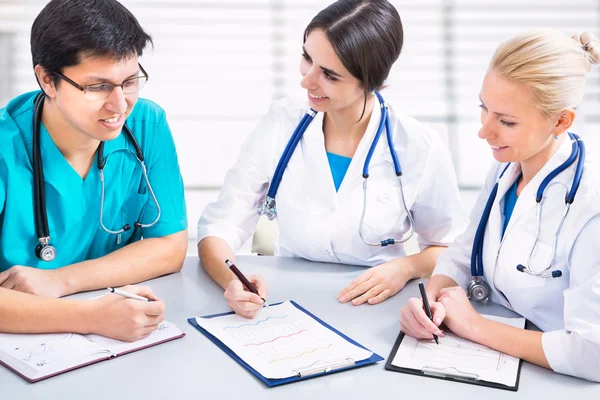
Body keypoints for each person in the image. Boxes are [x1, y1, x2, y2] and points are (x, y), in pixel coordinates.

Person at [198, 0, 467, 318]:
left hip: (377, 305)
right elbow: (221, 225)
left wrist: (407, 267)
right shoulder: (282, 122)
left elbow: (452, 248)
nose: (306, 81)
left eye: (329, 74)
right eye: (307, 58)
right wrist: (233, 281)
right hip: (284, 300)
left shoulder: (419, 147)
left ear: (369, 81)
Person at [400, 30, 600, 382]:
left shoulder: (590, 205)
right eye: (484, 109)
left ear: (560, 121)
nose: (484, 132)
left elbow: (592, 353)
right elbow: (466, 251)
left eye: (506, 121)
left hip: (557, 379)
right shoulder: (509, 163)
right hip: (496, 356)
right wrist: (429, 300)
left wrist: (474, 326)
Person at [0, 0, 187, 341]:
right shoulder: (4, 147)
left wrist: (61, 280)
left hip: (116, 335)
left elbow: (170, 246)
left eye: (130, 81)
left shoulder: (146, 124)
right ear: (47, 80)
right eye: (97, 86)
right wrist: (89, 316)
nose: (119, 105)